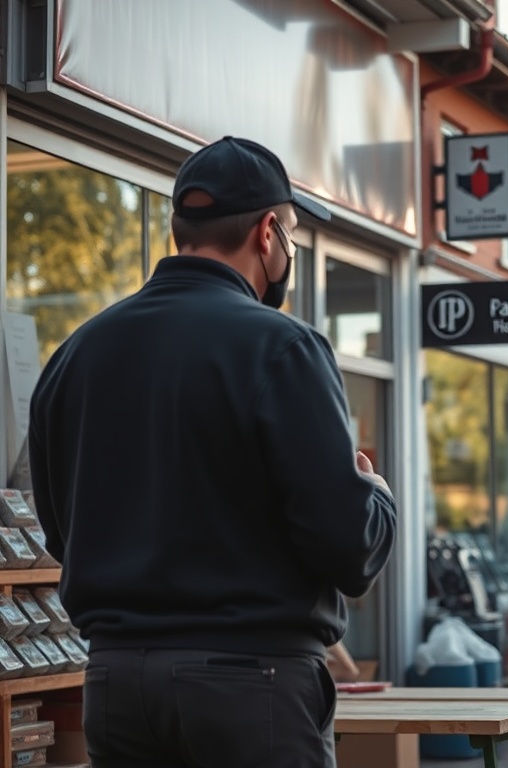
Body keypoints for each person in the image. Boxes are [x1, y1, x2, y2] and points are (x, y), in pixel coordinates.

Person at [29, 136, 397, 768]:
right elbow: (347, 546)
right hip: (255, 688)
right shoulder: (284, 348)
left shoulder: (78, 352)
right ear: (268, 233)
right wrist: (377, 498)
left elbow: (62, 533)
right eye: (293, 235)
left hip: (116, 686)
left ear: (180, 230)